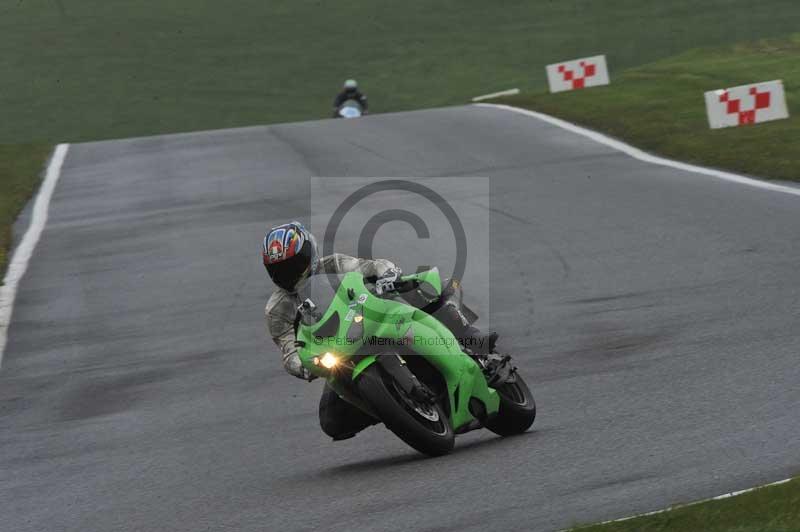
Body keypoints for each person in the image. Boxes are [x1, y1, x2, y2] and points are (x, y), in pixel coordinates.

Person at [263, 221, 497, 441]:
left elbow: (369, 266)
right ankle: (394, 407)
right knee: (331, 421)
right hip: (340, 353)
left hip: (374, 319)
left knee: (415, 286)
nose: (289, 273)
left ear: (309, 253)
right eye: (280, 269)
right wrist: (303, 367)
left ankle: (471, 336)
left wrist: (387, 274)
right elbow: (288, 349)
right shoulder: (277, 309)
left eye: (294, 264)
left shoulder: (333, 265)